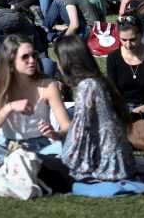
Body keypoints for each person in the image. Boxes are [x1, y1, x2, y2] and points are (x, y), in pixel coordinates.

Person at [0, 35, 73, 190]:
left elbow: (66, 126)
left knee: (70, 148)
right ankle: (22, 167)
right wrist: (9, 108)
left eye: (34, 55)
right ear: (11, 61)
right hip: (5, 146)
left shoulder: (48, 85)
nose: (32, 60)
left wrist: (56, 135)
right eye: (25, 57)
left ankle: (13, 167)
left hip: (40, 148)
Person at [53, 34, 136, 182]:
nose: (57, 65)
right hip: (120, 162)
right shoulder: (97, 81)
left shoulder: (87, 86)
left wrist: (61, 154)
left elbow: (80, 133)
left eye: (58, 59)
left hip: (109, 167)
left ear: (67, 61)